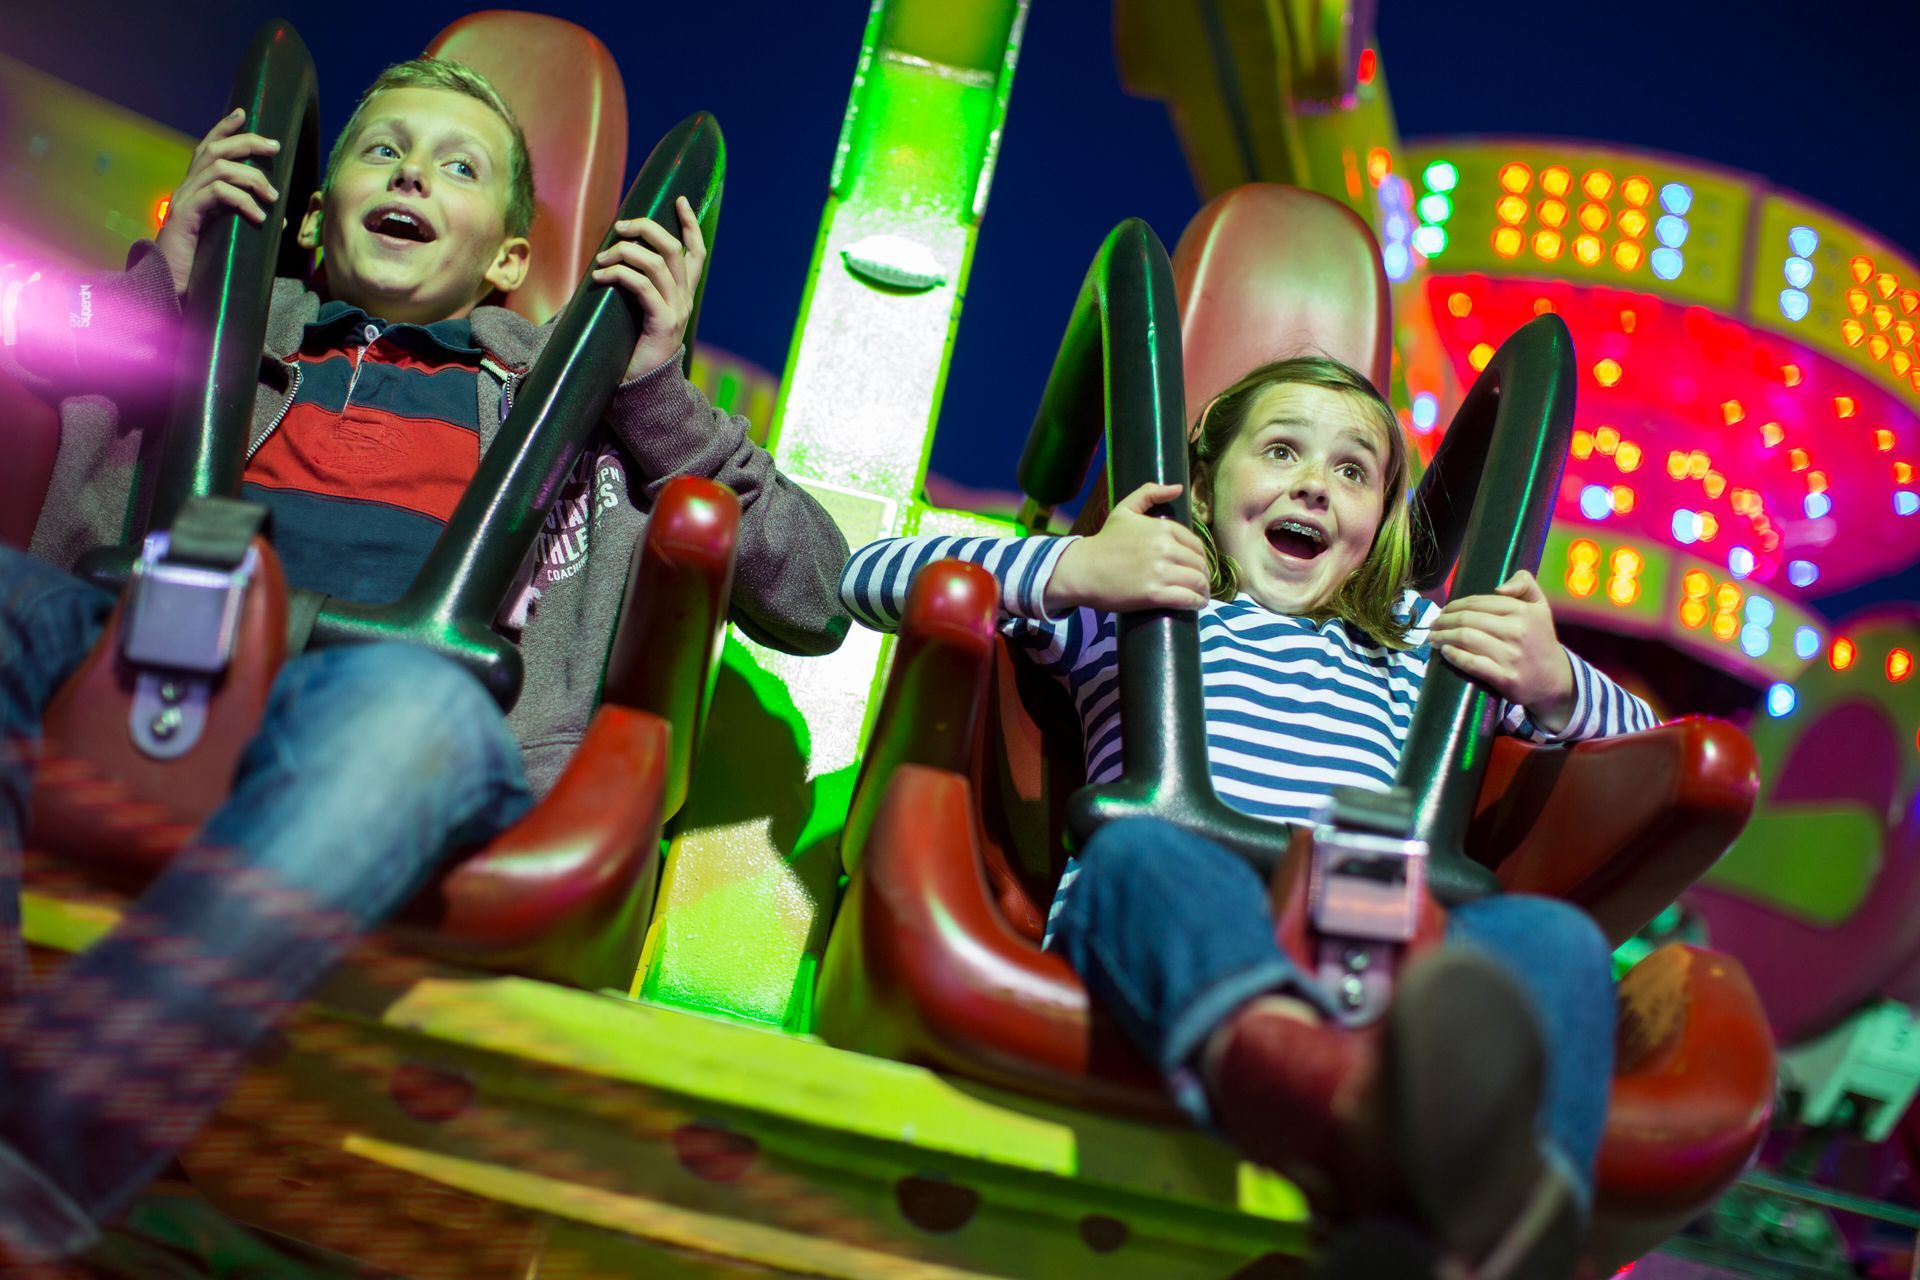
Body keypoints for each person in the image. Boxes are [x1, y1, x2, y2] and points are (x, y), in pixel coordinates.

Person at [0, 57, 848, 1259]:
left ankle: (48, 1139)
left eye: (459, 168)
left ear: (506, 259)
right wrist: (168, 283)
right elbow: (33, 354)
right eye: (380, 149)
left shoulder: (572, 387)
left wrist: (656, 392)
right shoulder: (234, 321)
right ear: (308, 211)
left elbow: (809, 592)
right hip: (151, 646)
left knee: (407, 709)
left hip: (402, 682)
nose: (411, 171)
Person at [839, 356, 1656, 1279]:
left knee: (1556, 939)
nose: (1315, 483)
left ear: (1378, 525)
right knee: (1140, 852)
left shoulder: (1416, 642)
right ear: (1202, 483)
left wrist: (1553, 683)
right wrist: (1078, 566)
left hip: (1368, 940)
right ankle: (1283, 1071)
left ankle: (1514, 1210)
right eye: (1281, 451)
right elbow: (871, 577)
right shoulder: (1135, 600)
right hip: (1185, 914)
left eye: (1353, 472)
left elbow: (1646, 741)